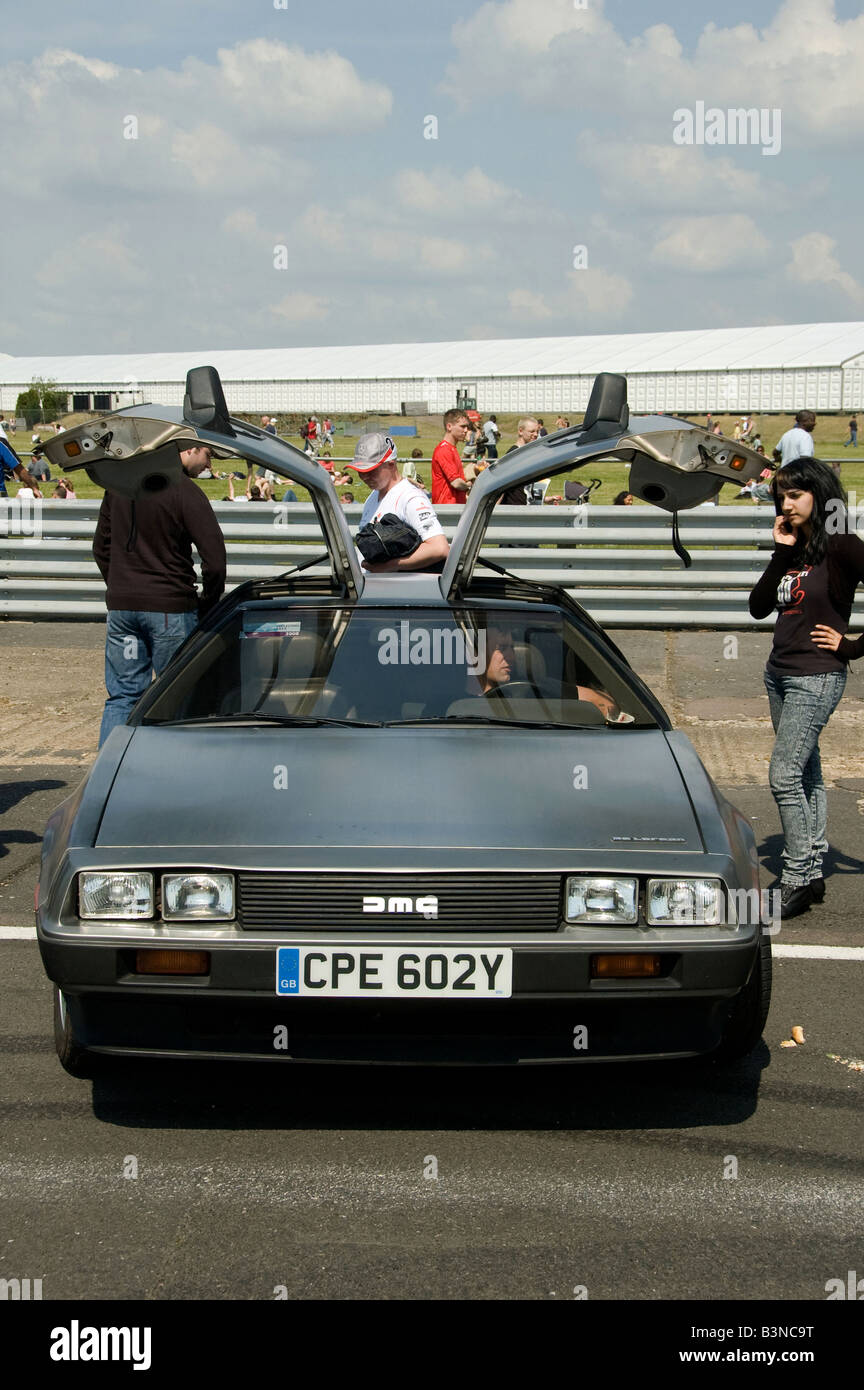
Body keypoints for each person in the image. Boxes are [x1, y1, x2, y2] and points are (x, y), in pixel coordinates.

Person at [748, 457, 864, 918]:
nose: (785, 502)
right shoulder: (794, 547)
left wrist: (852, 648)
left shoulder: (843, 545)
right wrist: (780, 551)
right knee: (806, 773)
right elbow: (758, 608)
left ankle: (796, 877)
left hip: (817, 675)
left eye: (795, 493)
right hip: (778, 673)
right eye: (781, 495)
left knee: (783, 775)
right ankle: (813, 870)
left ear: (819, 494)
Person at [92, 444, 227, 746]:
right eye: (209, 455)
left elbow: (100, 548)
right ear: (190, 449)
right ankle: (170, 774)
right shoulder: (185, 490)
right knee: (175, 694)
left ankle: (108, 773)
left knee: (123, 695)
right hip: (171, 609)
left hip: (122, 610)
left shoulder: (119, 487)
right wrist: (208, 603)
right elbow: (215, 560)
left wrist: (120, 587)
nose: (208, 464)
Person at [348, 432, 449, 573]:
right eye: (360, 470)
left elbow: (439, 548)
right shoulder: (374, 494)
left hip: (396, 590)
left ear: (391, 464)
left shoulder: (411, 497)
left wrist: (390, 566)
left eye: (370, 470)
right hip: (372, 589)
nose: (364, 476)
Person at [431, 409, 471, 505]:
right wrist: (470, 487)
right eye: (462, 426)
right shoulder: (444, 450)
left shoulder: (452, 448)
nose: (466, 430)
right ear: (449, 426)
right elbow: (456, 483)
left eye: (466, 427)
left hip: (455, 506)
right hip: (447, 508)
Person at [499, 417, 540, 506]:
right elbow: (500, 484)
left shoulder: (526, 453)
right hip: (514, 508)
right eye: (532, 431)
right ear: (520, 431)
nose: (536, 434)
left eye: (537, 431)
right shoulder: (513, 454)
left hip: (526, 506)